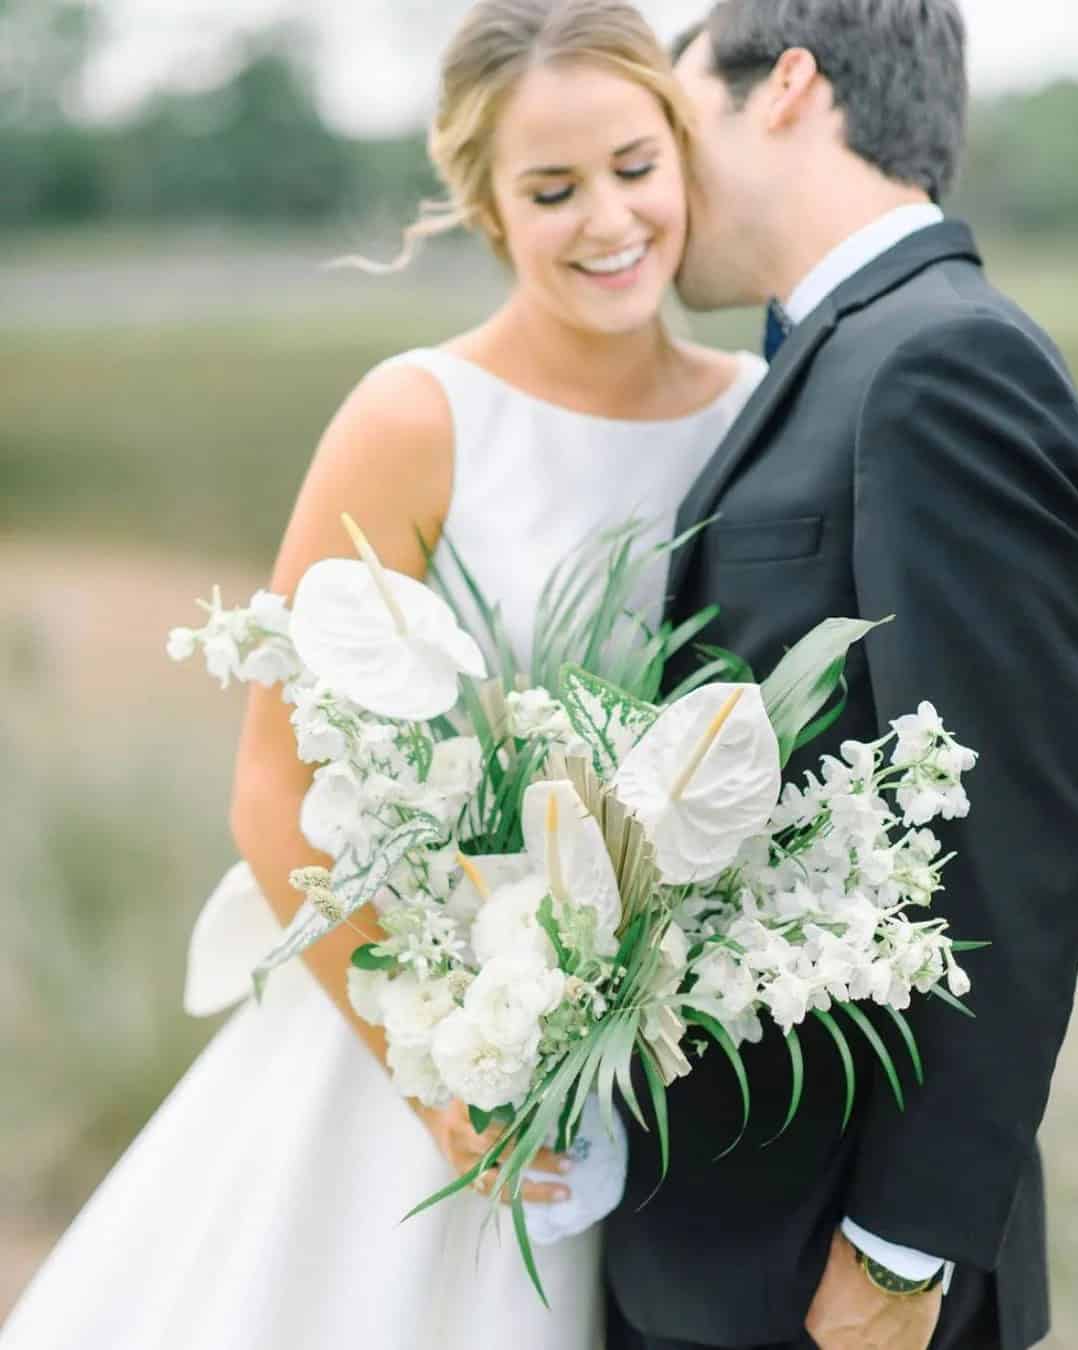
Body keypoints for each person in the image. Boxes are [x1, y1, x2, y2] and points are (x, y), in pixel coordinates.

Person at [0, 3, 767, 1348]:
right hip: (426, 1051)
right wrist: (439, 1070)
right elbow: (271, 785)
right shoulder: (417, 417)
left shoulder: (756, 410)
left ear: (685, 155)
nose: (609, 220)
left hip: (658, 1078)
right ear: (485, 206)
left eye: (635, 167)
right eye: (552, 189)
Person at [603, 3, 1078, 1350]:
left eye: (673, 119)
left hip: (835, 1274)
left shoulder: (942, 360)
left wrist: (902, 1249)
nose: (650, 182)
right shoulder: (819, 357)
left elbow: (1012, 844)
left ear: (789, 86)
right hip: (721, 1245)